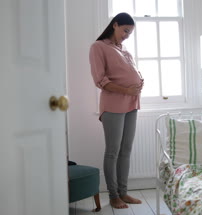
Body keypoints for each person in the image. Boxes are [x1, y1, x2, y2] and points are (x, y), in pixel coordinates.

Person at [89, 12, 144, 209]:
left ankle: (123, 192)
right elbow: (100, 80)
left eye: (130, 33)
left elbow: (128, 73)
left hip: (131, 103)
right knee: (112, 151)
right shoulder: (99, 47)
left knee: (126, 150)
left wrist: (138, 80)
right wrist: (126, 89)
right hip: (113, 104)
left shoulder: (124, 50)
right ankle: (113, 195)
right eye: (125, 30)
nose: (127, 35)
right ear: (115, 25)